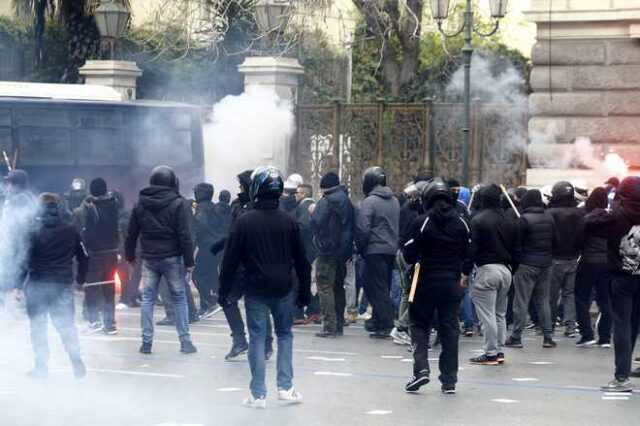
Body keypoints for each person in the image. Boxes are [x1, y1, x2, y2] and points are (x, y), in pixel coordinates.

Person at [220, 166, 311, 408]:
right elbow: (302, 260)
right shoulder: (289, 221)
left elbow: (230, 259)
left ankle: (258, 393)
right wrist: (305, 292)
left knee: (258, 338)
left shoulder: (245, 221)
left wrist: (224, 290)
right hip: (283, 288)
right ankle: (286, 387)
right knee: (284, 335)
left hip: (255, 289)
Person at [402, 179, 469, 394]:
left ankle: (421, 369)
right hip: (451, 282)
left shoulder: (422, 222)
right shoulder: (461, 222)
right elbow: (469, 251)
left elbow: (408, 252)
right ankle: (449, 379)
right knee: (449, 328)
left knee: (419, 323)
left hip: (425, 280)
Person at [14, 193, 89, 379]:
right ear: (58, 207)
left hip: (38, 285)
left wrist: (18, 285)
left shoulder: (32, 232)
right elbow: (84, 257)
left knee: (38, 328)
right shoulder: (71, 231)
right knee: (66, 327)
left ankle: (41, 368)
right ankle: (76, 360)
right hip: (62, 285)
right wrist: (80, 279)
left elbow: (24, 260)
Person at [125, 165, 197, 355]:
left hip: (149, 257)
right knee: (179, 298)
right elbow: (184, 234)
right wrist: (189, 260)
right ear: (172, 182)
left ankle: (146, 342)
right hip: (172, 257)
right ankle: (185, 341)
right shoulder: (178, 203)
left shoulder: (140, 203)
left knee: (148, 299)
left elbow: (131, 233)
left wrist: (130, 256)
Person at [584, 176, 640, 392]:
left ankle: (622, 376)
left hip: (621, 277)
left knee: (622, 325)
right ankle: (625, 371)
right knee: (633, 325)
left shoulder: (616, 216)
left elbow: (588, 223)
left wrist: (608, 207)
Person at [212, 170, 274, 361]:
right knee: (227, 299)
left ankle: (266, 342)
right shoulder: (237, 205)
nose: (239, 189)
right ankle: (239, 340)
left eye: (242, 185)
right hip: (237, 264)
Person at [463, 183, 516, 365]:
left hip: (487, 270)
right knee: (500, 313)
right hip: (506, 270)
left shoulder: (478, 220)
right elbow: (517, 248)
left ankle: (490, 353)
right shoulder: (510, 219)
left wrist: (465, 271)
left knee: (487, 315)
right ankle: (499, 351)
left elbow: (472, 249)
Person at [505, 189, 557, 349]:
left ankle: (516, 336)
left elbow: (517, 246)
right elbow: (555, 241)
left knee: (521, 300)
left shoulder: (524, 220)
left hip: (527, 264)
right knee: (543, 300)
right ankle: (548, 336)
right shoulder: (550, 218)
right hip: (546, 264)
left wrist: (515, 265)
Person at [355, 166, 400, 339]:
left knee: (373, 286)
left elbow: (363, 228)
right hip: (390, 250)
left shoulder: (370, 202)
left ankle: (385, 323)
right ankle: (377, 319)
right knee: (383, 286)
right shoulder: (394, 200)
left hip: (374, 249)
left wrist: (361, 247)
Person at [311, 172, 355, 337]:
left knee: (325, 287)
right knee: (338, 287)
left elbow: (315, 222)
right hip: (343, 251)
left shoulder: (326, 201)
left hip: (327, 249)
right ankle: (338, 325)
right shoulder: (346, 201)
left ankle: (329, 325)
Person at [75, 178, 120, 334]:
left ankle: (94, 321)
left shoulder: (92, 209)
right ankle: (110, 323)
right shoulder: (114, 205)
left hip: (96, 253)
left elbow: (90, 234)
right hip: (112, 251)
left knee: (93, 287)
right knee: (109, 287)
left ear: (92, 191)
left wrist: (86, 248)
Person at [574, 188, 612, 348]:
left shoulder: (586, 218)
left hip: (588, 260)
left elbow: (578, 240)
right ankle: (605, 337)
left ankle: (587, 334)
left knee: (582, 297)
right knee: (606, 299)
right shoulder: (612, 218)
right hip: (607, 262)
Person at [547, 181, 584, 337]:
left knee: (552, 295)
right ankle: (570, 326)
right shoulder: (580, 213)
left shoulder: (551, 213)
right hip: (574, 258)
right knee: (570, 294)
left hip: (555, 258)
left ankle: (550, 325)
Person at [192, 183, 223, 319]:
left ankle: (209, 303)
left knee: (197, 277)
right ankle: (208, 304)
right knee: (210, 275)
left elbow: (200, 226)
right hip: (216, 246)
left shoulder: (202, 208)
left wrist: (193, 243)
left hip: (206, 246)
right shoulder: (214, 207)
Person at [294, 183, 321, 325]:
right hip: (311, 249)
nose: (295, 195)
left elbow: (303, 226)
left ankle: (308, 311)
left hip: (305, 249)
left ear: (304, 193)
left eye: (297, 192)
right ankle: (313, 309)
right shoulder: (311, 205)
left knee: (297, 281)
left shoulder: (304, 206)